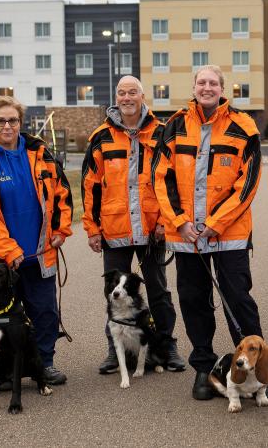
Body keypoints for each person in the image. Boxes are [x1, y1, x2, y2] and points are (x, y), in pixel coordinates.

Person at [152, 65, 265, 400]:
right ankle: (203, 367)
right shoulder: (173, 126)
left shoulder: (243, 126)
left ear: (222, 88)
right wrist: (179, 222)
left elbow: (248, 182)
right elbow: (162, 178)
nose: (207, 87)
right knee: (194, 302)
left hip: (228, 235)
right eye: (202, 82)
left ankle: (254, 370)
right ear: (194, 87)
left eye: (213, 83)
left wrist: (217, 222)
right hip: (187, 237)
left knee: (239, 301)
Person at [0, 95, 73, 385]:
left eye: (12, 120)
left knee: (45, 312)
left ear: (21, 122)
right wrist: (9, 251)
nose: (7, 126)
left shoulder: (40, 152)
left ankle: (44, 364)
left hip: (38, 252)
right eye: (0, 121)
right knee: (0, 319)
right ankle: (2, 372)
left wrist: (60, 229)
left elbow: (61, 193)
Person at [82, 75, 185, 374]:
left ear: (142, 96)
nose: (126, 98)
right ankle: (116, 352)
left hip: (154, 230)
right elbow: (90, 186)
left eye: (132, 92)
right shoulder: (100, 137)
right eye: (121, 93)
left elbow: (173, 182)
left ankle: (166, 347)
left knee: (158, 292)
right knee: (113, 291)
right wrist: (92, 228)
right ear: (116, 97)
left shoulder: (162, 133)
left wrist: (167, 222)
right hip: (114, 229)